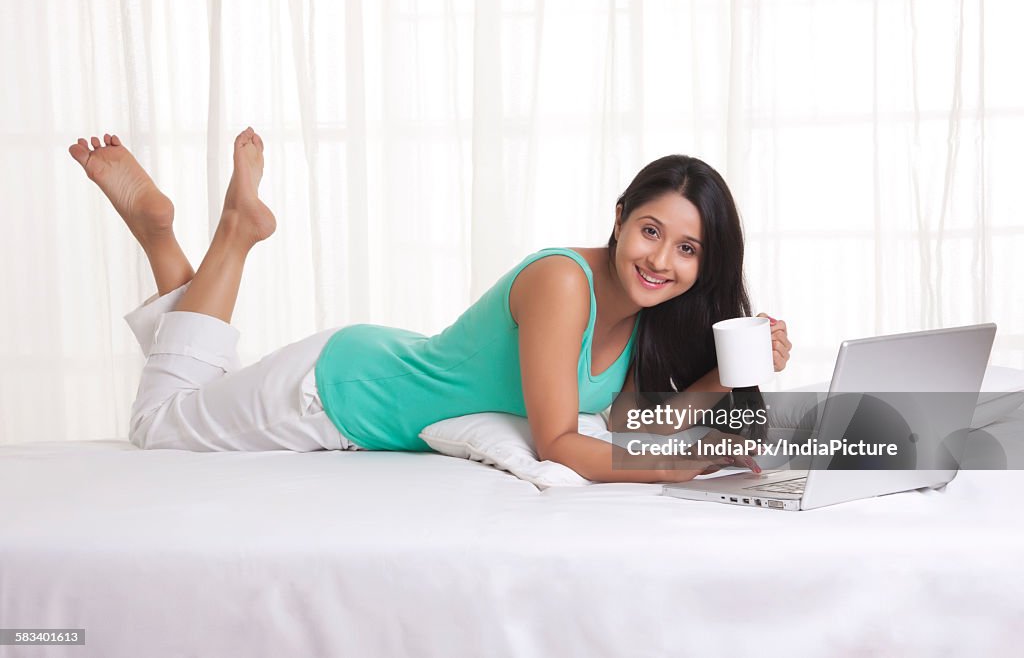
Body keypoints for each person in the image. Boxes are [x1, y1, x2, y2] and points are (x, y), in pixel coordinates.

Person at [68, 129, 791, 484]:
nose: (662, 261)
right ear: (620, 216)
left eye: (688, 250)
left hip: (367, 372)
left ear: (708, 264)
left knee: (193, 390)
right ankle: (234, 233)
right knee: (157, 426)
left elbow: (628, 421)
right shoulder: (564, 283)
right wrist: (686, 467)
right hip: (336, 394)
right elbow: (560, 444)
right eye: (652, 231)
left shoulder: (641, 314)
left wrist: (722, 380)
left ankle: (158, 237)